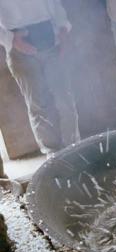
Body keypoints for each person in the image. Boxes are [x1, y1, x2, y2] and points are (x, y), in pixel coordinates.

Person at [0, 0, 80, 156]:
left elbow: (55, 4)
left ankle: (74, 150)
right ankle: (52, 155)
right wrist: (10, 40)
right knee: (38, 105)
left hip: (50, 38)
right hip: (18, 42)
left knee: (65, 99)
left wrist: (63, 29)